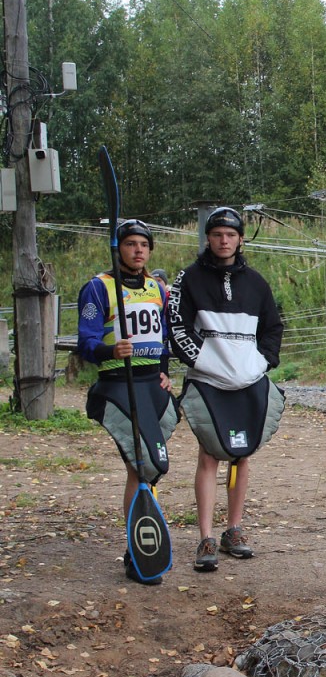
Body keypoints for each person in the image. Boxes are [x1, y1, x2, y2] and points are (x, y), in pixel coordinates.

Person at [168, 207, 285, 572]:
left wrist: (261, 363)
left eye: (230, 235)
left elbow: (273, 327)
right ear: (208, 237)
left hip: (248, 381)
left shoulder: (256, 282)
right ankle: (205, 537)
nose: (224, 240)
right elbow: (176, 327)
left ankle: (233, 530)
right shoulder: (188, 278)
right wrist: (203, 360)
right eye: (217, 234)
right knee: (209, 455)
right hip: (208, 381)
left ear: (240, 239)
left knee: (242, 455)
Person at [77, 219, 177, 585]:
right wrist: (110, 350)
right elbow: (85, 342)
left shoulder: (156, 288)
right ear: (118, 248)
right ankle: (136, 551)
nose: (138, 250)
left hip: (151, 385)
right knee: (139, 466)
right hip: (120, 384)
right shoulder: (98, 287)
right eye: (131, 244)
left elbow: (163, 336)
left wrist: (165, 371)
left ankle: (142, 541)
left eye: (144, 245)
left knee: (150, 466)